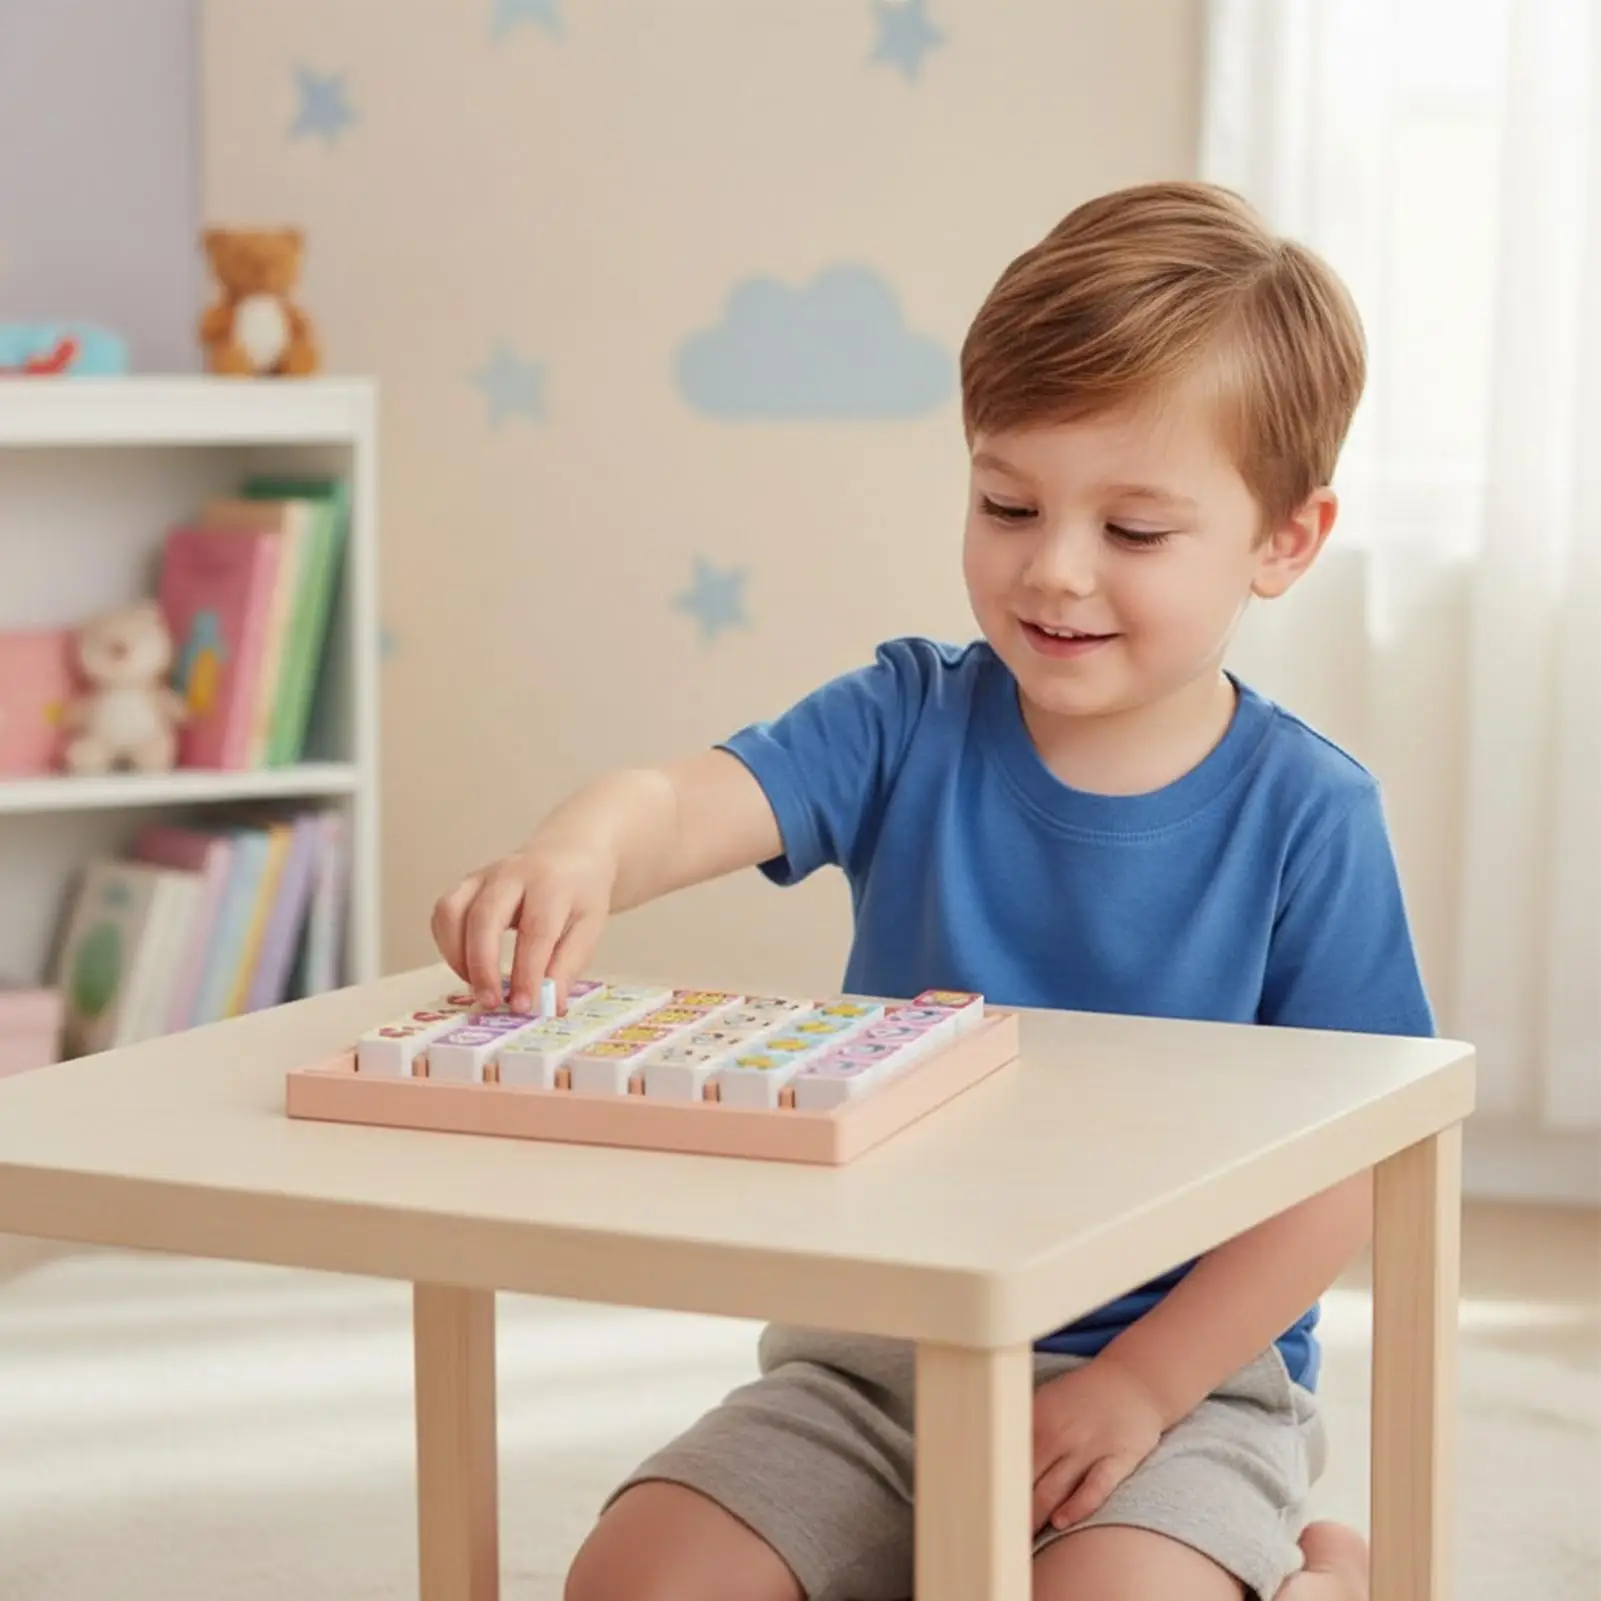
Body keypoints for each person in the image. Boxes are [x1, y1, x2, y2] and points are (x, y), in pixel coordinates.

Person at [431, 179, 1433, 1601]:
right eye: (1007, 502)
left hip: (1177, 1380)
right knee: (635, 1583)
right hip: (876, 1360)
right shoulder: (906, 717)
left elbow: (1351, 1171)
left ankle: (1312, 1572)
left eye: (1134, 532)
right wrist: (577, 848)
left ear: (1286, 541)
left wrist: (1142, 1390)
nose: (1054, 569)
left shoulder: (1310, 815)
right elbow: (679, 800)